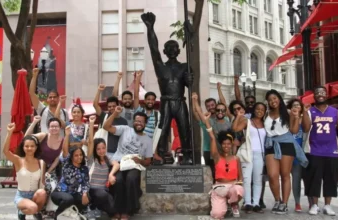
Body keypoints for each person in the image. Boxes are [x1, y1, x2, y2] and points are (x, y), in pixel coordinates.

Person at [142, 12, 193, 164]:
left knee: (185, 128)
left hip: (180, 101)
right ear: (164, 51)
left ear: (178, 50)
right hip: (166, 102)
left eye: (174, 47)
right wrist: (150, 28)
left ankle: (188, 155)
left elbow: (190, 85)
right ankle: (161, 154)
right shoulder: (160, 67)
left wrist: (190, 79)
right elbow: (153, 48)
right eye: (168, 48)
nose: (171, 49)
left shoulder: (185, 67)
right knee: (162, 129)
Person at [302, 86, 338, 216]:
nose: (320, 94)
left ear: (327, 95)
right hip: (315, 150)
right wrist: (304, 112)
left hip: (332, 151)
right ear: (314, 96)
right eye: (317, 93)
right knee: (315, 179)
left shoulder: (334, 111)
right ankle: (314, 205)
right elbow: (306, 129)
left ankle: (328, 205)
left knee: (330, 179)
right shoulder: (310, 111)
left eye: (323, 92)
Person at [103, 106, 153, 219]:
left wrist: (140, 161)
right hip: (119, 163)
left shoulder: (148, 140)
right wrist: (115, 113)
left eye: (141, 122)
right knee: (118, 180)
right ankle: (116, 210)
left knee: (131, 179)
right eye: (136, 121)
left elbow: (148, 161)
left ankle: (127, 211)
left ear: (145, 124)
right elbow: (106, 127)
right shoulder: (125, 129)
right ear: (133, 122)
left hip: (134, 165)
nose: (138, 123)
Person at [264, 89, 308, 214]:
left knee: (285, 175)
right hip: (271, 144)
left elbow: (294, 131)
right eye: (270, 100)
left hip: (287, 144)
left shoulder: (288, 112)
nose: (273, 101)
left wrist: (295, 117)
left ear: (279, 98)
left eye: (275, 98)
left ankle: (284, 203)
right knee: (272, 175)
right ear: (268, 102)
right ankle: (277, 200)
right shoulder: (266, 114)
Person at [204, 113, 244, 219]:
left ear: (231, 144)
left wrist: (238, 184)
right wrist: (206, 121)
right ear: (221, 144)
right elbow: (212, 137)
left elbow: (240, 177)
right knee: (217, 214)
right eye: (224, 143)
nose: (226, 146)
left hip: (232, 186)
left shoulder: (236, 158)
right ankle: (225, 204)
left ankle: (233, 203)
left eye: (228, 143)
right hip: (219, 188)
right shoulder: (217, 157)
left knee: (238, 190)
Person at [3, 123, 47, 220]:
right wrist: (9, 133)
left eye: (32, 146)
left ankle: (36, 211)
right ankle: (23, 212)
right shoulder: (18, 161)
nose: (29, 148)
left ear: (36, 148)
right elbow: (6, 152)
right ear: (23, 147)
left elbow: (42, 181)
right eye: (27, 146)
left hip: (35, 195)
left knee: (42, 193)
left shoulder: (41, 162)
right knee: (33, 207)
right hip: (21, 196)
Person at [232, 102, 267, 214]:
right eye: (257, 109)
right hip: (248, 152)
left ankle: (256, 203)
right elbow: (235, 128)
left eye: (262, 109)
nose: (259, 111)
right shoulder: (248, 121)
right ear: (254, 110)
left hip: (260, 154)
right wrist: (238, 116)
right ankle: (247, 203)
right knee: (247, 179)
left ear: (264, 111)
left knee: (258, 179)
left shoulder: (265, 123)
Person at [50, 126, 91, 219]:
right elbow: (65, 149)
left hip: (73, 193)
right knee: (69, 199)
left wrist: (85, 193)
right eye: (76, 155)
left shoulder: (84, 168)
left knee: (87, 197)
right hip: (59, 193)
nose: (79, 157)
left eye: (81, 155)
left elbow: (86, 183)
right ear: (71, 157)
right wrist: (67, 135)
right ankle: (57, 215)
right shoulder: (66, 164)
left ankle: (74, 213)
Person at [25, 116, 64, 195]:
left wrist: (47, 172)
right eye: (51, 126)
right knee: (32, 188)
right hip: (37, 166)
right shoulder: (43, 136)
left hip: (51, 169)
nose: (54, 128)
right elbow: (26, 138)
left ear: (60, 127)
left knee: (50, 188)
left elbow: (57, 159)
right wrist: (34, 122)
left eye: (56, 126)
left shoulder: (63, 140)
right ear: (48, 128)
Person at [87, 136, 120, 218]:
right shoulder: (92, 159)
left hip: (104, 190)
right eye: (98, 149)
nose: (101, 151)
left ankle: (101, 209)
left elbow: (116, 164)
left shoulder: (107, 158)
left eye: (103, 148)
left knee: (112, 206)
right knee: (103, 195)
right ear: (94, 149)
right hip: (92, 189)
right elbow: (90, 143)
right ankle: (92, 207)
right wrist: (91, 125)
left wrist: (111, 174)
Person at [29, 68, 68, 136]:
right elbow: (31, 93)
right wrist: (34, 76)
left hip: (60, 144)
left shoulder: (64, 112)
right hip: (45, 144)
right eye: (50, 97)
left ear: (58, 98)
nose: (52, 99)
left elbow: (66, 127)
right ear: (47, 99)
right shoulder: (42, 109)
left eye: (54, 97)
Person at [93, 87, 128, 158]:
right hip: (103, 153)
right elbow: (95, 105)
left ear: (118, 105)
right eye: (109, 107)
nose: (111, 108)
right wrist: (99, 90)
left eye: (113, 106)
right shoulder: (104, 116)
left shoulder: (124, 121)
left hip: (118, 153)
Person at [286, 98, 305, 212]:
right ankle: (284, 202)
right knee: (285, 179)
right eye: (294, 105)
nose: (296, 107)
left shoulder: (304, 120)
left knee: (296, 180)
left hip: (298, 155)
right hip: (287, 154)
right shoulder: (287, 120)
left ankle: (297, 203)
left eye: (298, 105)